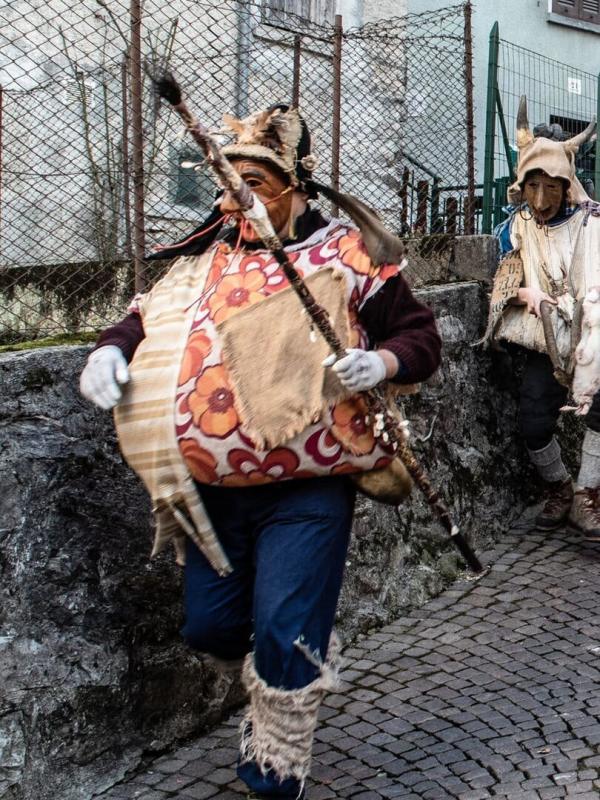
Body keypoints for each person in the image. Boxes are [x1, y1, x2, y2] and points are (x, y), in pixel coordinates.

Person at [80, 103, 441, 799]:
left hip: (308, 487)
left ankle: (275, 760)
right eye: (230, 181)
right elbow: (139, 319)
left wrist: (386, 364)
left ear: (297, 186)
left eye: (259, 182)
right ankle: (272, 679)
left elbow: (421, 337)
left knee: (285, 627)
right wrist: (108, 352)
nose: (241, 196)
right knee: (210, 625)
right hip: (211, 490)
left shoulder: (347, 255)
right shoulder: (204, 262)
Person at [485, 95, 600, 540]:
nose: (540, 197)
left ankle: (589, 496)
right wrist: (523, 291)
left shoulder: (591, 223)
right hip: (544, 337)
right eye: (532, 186)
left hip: (591, 332)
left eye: (550, 186)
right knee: (533, 420)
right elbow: (502, 279)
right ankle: (560, 488)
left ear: (566, 183)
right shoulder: (516, 226)